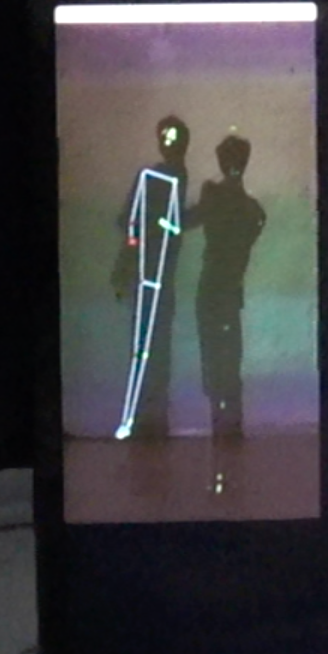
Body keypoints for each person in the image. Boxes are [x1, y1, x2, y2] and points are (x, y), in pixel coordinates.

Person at [108, 116, 191, 441]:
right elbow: (132, 223)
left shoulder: (166, 176)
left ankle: (147, 418)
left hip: (155, 274)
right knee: (149, 346)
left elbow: (144, 224)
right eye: (166, 137)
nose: (169, 143)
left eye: (173, 138)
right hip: (149, 274)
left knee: (151, 346)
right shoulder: (156, 176)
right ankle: (143, 418)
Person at [182, 129, 269, 440]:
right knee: (229, 357)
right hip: (229, 292)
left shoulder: (217, 200)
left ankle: (222, 419)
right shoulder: (254, 211)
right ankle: (230, 422)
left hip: (212, 291)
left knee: (215, 356)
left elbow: (184, 222)